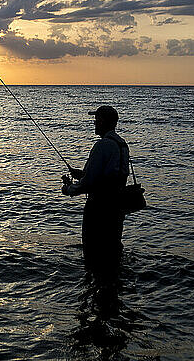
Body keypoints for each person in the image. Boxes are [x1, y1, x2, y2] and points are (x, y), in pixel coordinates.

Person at [61, 105, 130, 273]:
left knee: (93, 250)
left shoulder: (102, 145)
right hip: (116, 206)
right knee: (112, 247)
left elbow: (89, 184)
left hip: (99, 207)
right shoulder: (121, 144)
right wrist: (81, 174)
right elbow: (110, 174)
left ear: (105, 122)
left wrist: (68, 189)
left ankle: (95, 284)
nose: (94, 123)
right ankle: (112, 284)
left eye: (97, 120)